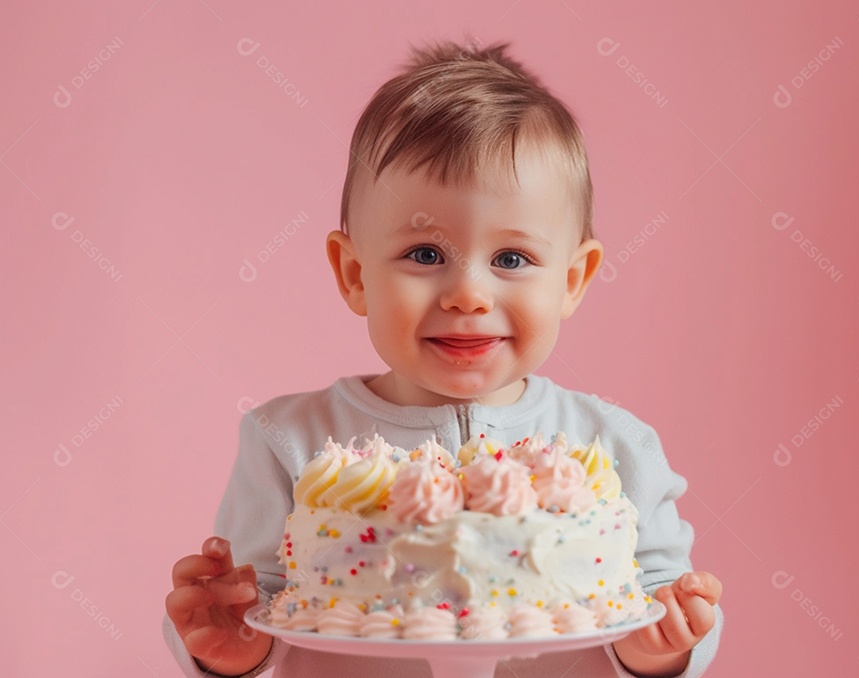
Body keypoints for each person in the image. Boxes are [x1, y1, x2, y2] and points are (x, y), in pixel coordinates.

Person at [164, 38, 723, 677]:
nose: (467, 295)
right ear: (355, 273)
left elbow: (661, 591)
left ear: (572, 280)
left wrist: (663, 645)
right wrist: (230, 651)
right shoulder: (288, 442)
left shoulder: (615, 447)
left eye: (512, 259)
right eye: (426, 254)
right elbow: (252, 602)